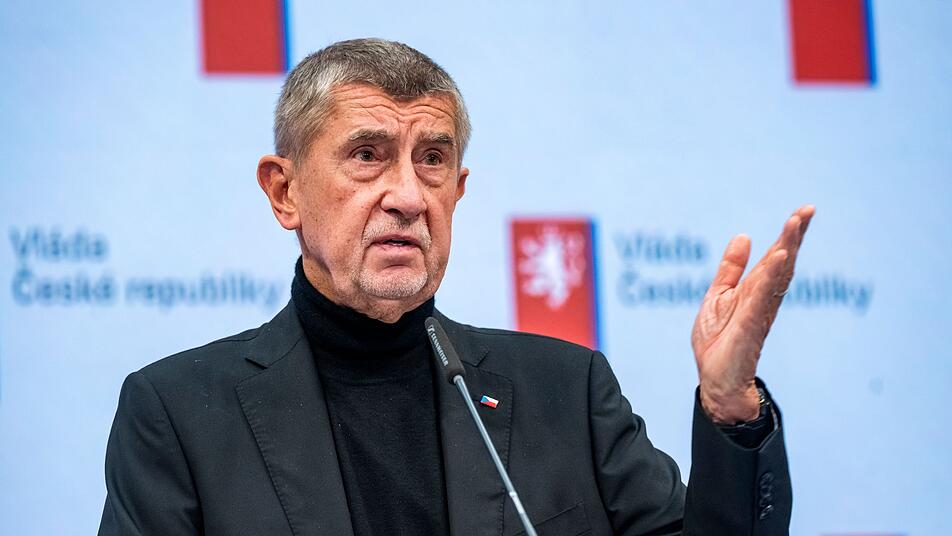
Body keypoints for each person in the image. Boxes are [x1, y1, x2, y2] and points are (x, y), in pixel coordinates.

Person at [98, 38, 813, 535]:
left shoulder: (567, 390)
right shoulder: (179, 412)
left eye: (432, 159)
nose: (409, 196)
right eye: (368, 155)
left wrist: (729, 408)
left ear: (458, 189)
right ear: (284, 192)